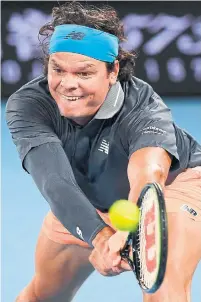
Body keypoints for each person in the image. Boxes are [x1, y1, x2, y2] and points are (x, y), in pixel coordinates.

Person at [6, 2, 201, 302]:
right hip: (88, 195)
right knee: (42, 295)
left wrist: (131, 226)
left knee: (164, 293)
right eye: (57, 69)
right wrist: (100, 236)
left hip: (170, 189)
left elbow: (150, 173)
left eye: (84, 73)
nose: (68, 84)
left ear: (113, 72)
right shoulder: (30, 104)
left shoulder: (144, 108)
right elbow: (54, 181)